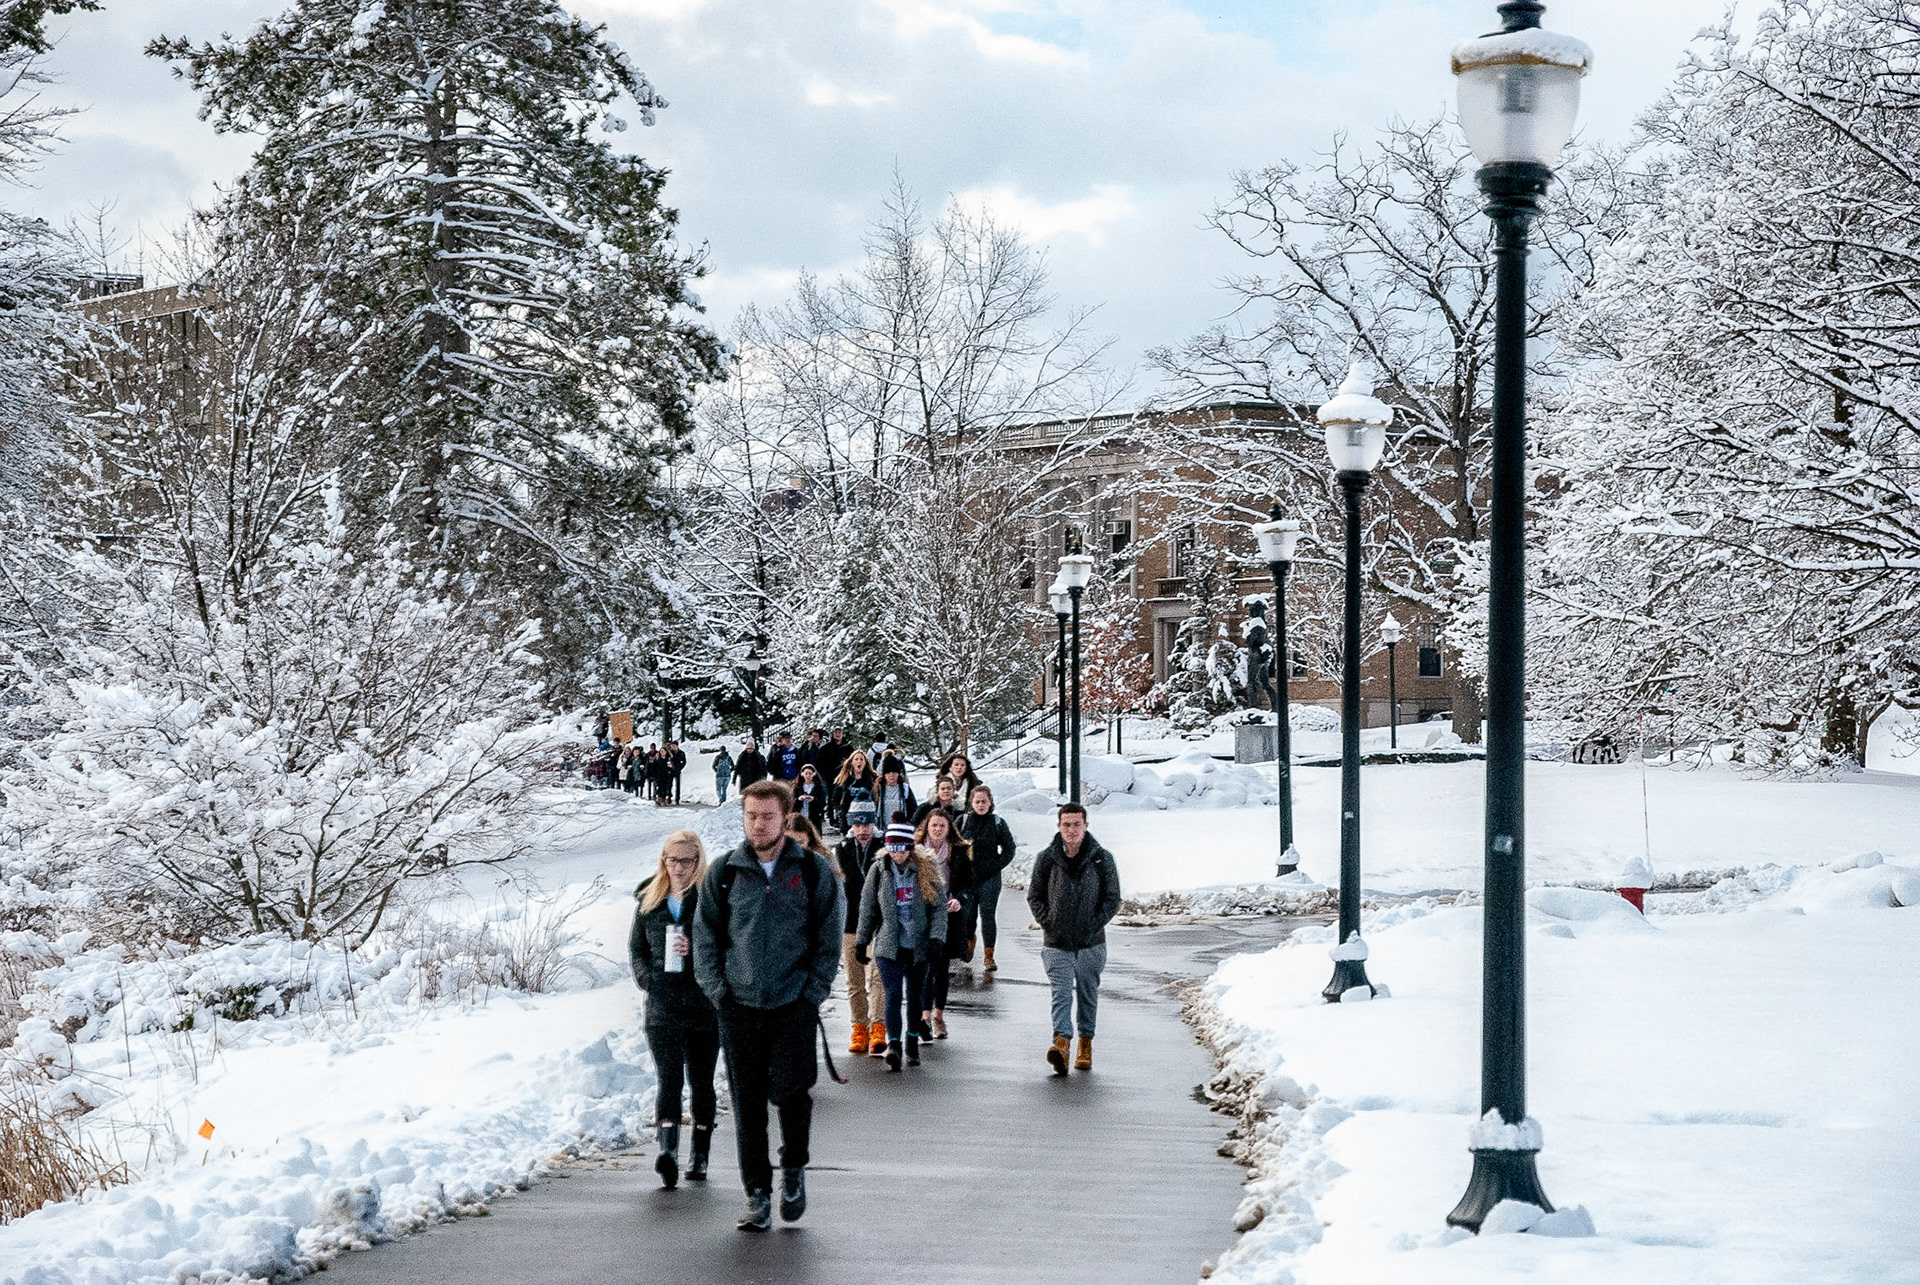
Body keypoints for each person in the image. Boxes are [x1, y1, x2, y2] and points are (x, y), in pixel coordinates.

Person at [693, 780, 843, 1231]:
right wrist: (718, 991)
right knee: (747, 1102)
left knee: (793, 1093)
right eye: (751, 816)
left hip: (792, 1003)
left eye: (768, 817)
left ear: (785, 818)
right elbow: (706, 938)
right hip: (738, 1005)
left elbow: (828, 939)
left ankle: (793, 1168)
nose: (759, 824)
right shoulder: (725, 872)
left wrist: (812, 992)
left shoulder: (813, 872)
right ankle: (757, 1194)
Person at [628, 831, 720, 1189]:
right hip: (663, 1005)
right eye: (672, 860)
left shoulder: (710, 899)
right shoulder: (649, 897)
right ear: (662, 860)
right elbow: (636, 949)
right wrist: (648, 979)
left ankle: (700, 1153)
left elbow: (724, 947)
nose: (679, 868)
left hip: (702, 1007)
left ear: (698, 862)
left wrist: (694, 949)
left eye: (686, 861)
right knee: (669, 1078)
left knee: (701, 1082)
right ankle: (668, 1151)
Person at [1026, 803, 1120, 1076]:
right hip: (1056, 942)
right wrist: (1049, 922)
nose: (1071, 830)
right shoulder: (1047, 858)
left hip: (1091, 942)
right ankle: (1061, 1043)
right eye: (1066, 824)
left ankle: (1085, 1044)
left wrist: (1094, 923)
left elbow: (1112, 897)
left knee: (1088, 995)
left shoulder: (1102, 858)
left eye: (1076, 824)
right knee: (1061, 993)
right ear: (1058, 826)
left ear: (1086, 825)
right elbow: (1035, 895)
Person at [854, 816, 946, 1071]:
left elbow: (938, 909)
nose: (897, 854)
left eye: (902, 848)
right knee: (893, 994)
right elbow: (868, 907)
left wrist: (937, 939)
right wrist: (862, 941)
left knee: (915, 995)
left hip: (918, 945)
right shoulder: (879, 869)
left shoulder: (926, 868)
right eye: (892, 848)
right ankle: (894, 1044)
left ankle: (912, 1040)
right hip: (889, 944)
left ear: (910, 848)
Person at [833, 798, 887, 1055]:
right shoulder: (841, 850)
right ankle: (859, 1027)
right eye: (858, 823)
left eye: (867, 824)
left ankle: (878, 1025)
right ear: (851, 824)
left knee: (878, 976)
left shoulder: (884, 847)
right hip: (850, 922)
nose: (863, 829)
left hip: (879, 923)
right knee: (854, 980)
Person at [915, 807, 973, 1040]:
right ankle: (924, 1016)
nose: (938, 830)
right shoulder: (917, 851)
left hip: (949, 913)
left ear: (949, 829)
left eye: (942, 826)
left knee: (941, 969)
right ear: (927, 828)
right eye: (934, 826)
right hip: (924, 913)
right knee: (926, 968)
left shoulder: (957, 851)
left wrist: (959, 898)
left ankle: (938, 1015)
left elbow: (970, 883)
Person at [958, 784, 1015, 972]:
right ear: (971, 803)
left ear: (990, 802)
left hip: (990, 877)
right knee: (968, 915)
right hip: (967, 878)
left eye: (984, 801)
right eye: (977, 801)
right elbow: (953, 846)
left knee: (988, 915)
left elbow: (1009, 848)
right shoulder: (963, 821)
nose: (981, 805)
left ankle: (989, 956)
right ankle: (968, 944)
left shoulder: (997, 822)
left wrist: (996, 865)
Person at [834, 749, 878, 830]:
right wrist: (839, 810)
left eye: (861, 759)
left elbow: (877, 796)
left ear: (865, 762)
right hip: (848, 816)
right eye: (856, 759)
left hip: (867, 816)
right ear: (851, 762)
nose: (859, 762)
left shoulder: (872, 778)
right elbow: (836, 797)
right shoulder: (844, 779)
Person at [792, 762, 830, 833]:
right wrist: (799, 799)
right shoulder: (797, 787)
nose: (808, 776)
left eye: (810, 773)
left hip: (814, 816)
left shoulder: (818, 787)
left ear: (814, 774)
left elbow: (823, 803)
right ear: (802, 774)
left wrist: (814, 800)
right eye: (806, 773)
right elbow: (792, 803)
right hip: (801, 815)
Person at [876, 758, 916, 825]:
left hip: (901, 828)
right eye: (888, 772)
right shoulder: (878, 789)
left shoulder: (905, 789)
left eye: (894, 772)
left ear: (898, 774)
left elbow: (913, 809)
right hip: (881, 828)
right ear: (884, 775)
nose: (891, 775)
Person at [816, 728, 852, 796]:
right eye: (836, 732)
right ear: (833, 734)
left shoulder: (848, 748)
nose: (838, 734)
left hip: (844, 776)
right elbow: (819, 763)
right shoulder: (825, 748)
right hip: (829, 778)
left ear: (842, 734)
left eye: (839, 732)